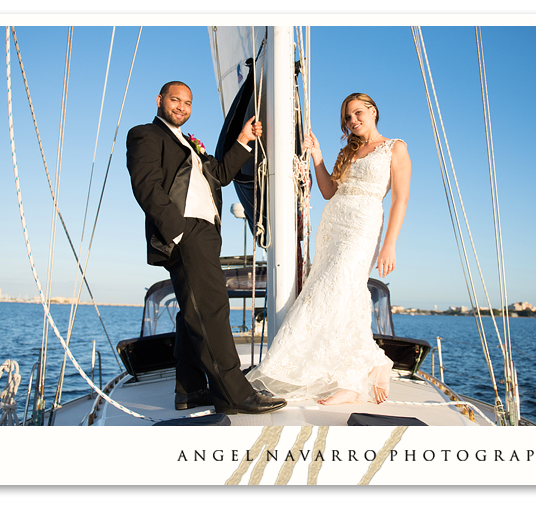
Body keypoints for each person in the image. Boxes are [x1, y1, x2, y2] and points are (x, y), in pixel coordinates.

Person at [126, 81, 287, 415]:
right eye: (175, 100)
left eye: (187, 102)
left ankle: (191, 390)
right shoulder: (145, 134)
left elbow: (223, 174)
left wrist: (243, 139)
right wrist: (178, 231)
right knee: (213, 309)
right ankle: (233, 394)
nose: (182, 107)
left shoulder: (191, 144)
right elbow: (146, 186)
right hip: (185, 231)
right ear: (160, 100)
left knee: (191, 313)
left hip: (206, 232)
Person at [245, 92, 411, 405]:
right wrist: (317, 156)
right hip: (333, 226)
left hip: (362, 225)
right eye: (347, 117)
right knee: (339, 293)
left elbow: (400, 198)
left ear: (373, 112)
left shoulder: (395, 147)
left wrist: (389, 244)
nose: (353, 121)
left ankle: (359, 372)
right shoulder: (347, 151)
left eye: (358, 113)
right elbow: (328, 191)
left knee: (334, 289)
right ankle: (361, 372)